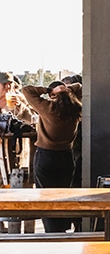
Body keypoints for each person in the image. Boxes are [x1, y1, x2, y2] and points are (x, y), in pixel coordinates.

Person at [20, 78, 82, 232]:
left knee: (46, 197)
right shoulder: (76, 110)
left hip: (46, 156)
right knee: (63, 196)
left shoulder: (48, 108)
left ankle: (52, 233)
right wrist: (66, 89)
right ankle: (61, 230)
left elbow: (27, 90)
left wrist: (48, 90)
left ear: (53, 96)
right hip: (67, 156)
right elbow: (79, 87)